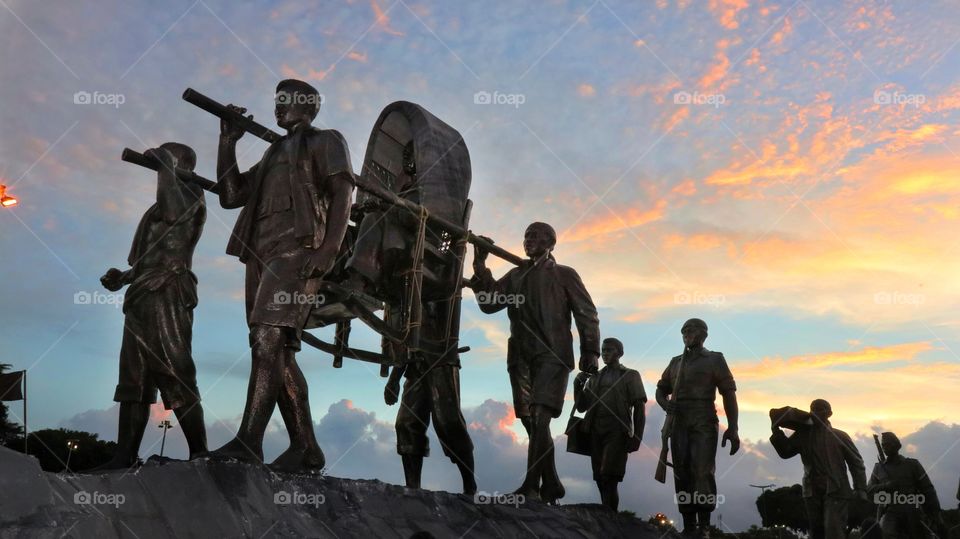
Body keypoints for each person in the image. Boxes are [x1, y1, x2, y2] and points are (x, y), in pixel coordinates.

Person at [212, 79, 354, 471]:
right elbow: (230, 196)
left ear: (307, 106)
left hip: (298, 248)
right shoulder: (274, 151)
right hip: (260, 251)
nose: (277, 108)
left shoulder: (327, 140)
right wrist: (228, 141)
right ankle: (306, 448)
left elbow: (344, 193)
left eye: (285, 101)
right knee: (277, 350)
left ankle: (249, 441)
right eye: (276, 101)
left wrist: (329, 248)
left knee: (266, 337)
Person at [471, 221, 600, 504]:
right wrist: (480, 267)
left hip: (552, 355)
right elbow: (489, 302)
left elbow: (587, 313)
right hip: (520, 356)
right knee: (532, 424)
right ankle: (551, 483)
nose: (528, 240)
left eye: (535, 236)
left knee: (541, 418)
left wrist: (590, 350)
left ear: (551, 243)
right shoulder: (516, 274)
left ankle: (531, 486)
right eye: (526, 235)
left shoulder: (565, 275)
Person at [98, 143, 207, 469]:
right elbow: (153, 256)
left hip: (168, 290)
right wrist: (125, 276)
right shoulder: (163, 198)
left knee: (174, 369)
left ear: (178, 165)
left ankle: (200, 455)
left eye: (164, 157)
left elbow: (173, 216)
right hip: (144, 293)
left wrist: (164, 168)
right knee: (134, 377)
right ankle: (124, 456)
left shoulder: (190, 195)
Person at [655, 318, 740, 536]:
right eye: (683, 331)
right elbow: (661, 389)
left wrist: (733, 427)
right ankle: (689, 524)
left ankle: (704, 526)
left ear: (703, 334)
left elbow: (729, 393)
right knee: (681, 471)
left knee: (702, 470)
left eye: (690, 330)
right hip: (678, 420)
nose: (686, 334)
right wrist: (666, 404)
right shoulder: (675, 362)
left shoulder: (714, 359)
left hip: (703, 418)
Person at [770, 399, 867, 539]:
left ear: (829, 413)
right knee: (816, 532)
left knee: (833, 529)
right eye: (813, 409)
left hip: (836, 489)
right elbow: (786, 452)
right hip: (811, 490)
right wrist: (776, 432)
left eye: (820, 409)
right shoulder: (803, 434)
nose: (816, 412)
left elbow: (856, 463)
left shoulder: (840, 436)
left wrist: (861, 488)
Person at [573, 337, 645, 511]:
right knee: (599, 476)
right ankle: (607, 511)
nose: (605, 354)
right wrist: (577, 385)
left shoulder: (630, 375)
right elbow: (582, 407)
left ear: (619, 353)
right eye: (603, 350)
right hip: (595, 430)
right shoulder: (594, 378)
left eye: (609, 350)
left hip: (617, 430)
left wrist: (637, 437)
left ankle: (610, 514)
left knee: (609, 475)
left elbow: (639, 408)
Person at [866, 431, 944, 538]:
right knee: (886, 534)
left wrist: (936, 514)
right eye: (883, 445)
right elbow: (869, 489)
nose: (884, 448)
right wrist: (886, 486)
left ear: (896, 445)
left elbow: (928, 490)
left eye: (887, 444)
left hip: (912, 509)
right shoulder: (878, 467)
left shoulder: (912, 464)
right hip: (890, 509)